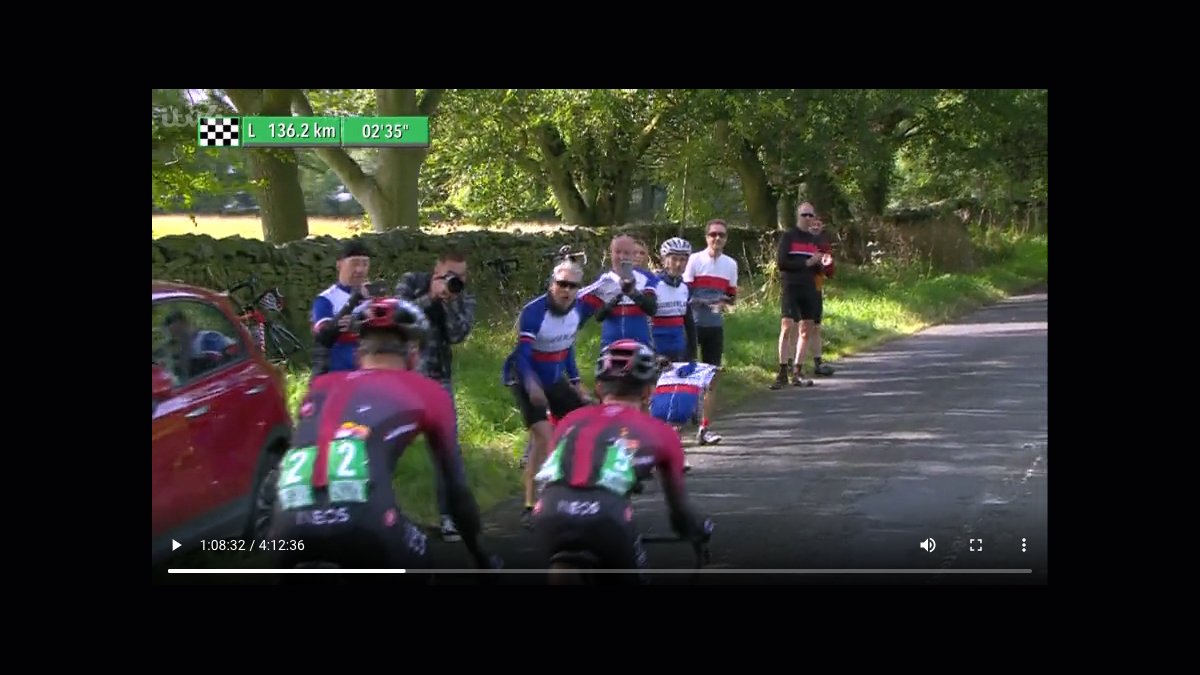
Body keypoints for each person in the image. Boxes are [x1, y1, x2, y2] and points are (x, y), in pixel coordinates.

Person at [265, 296, 501, 575]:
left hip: (286, 529)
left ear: (357, 355)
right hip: (364, 523)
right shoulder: (427, 391)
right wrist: (480, 556)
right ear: (413, 354)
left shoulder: (320, 386)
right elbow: (456, 489)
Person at [531, 339, 713, 584]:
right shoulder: (661, 432)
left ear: (598, 388)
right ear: (649, 392)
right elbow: (678, 513)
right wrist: (697, 531)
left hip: (550, 511)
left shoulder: (570, 420)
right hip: (607, 516)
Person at [502, 260, 595, 528]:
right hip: (524, 376)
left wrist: (576, 382)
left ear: (578, 289)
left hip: (554, 378)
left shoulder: (578, 310)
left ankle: (574, 490)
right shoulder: (533, 312)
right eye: (560, 284)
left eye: (572, 286)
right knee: (543, 437)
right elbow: (521, 357)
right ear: (551, 284)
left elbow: (567, 349)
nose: (565, 290)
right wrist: (532, 386)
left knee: (585, 424)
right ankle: (530, 506)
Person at [393, 250, 476, 543]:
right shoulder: (411, 282)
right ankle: (385, 516)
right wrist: (430, 296)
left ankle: (449, 517)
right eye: (449, 275)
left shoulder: (462, 296)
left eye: (461, 276)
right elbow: (398, 320)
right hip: (401, 378)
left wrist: (448, 302)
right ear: (436, 270)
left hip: (439, 379)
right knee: (385, 445)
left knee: (446, 450)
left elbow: (457, 334)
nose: (456, 280)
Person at [682, 219, 738, 445]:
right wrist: (705, 301)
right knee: (687, 375)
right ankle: (680, 425)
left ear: (726, 239)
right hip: (691, 324)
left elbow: (732, 298)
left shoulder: (731, 265)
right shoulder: (694, 260)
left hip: (715, 326)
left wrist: (724, 302)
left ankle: (704, 429)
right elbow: (684, 294)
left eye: (721, 235)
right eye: (713, 234)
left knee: (712, 377)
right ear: (706, 237)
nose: (717, 238)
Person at [772, 202, 833, 389]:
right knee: (787, 326)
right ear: (798, 216)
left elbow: (821, 268)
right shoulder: (789, 237)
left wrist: (824, 263)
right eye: (804, 215)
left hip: (810, 288)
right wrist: (806, 264)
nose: (807, 218)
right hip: (791, 286)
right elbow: (782, 262)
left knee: (807, 329)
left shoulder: (816, 241)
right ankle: (782, 371)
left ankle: (797, 370)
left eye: (810, 215)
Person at [579, 234, 658, 352]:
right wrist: (614, 301)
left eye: (626, 253)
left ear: (633, 255)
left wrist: (632, 292)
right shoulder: (604, 280)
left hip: (641, 346)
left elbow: (652, 309)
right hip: (610, 346)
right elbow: (598, 316)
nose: (621, 257)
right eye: (617, 252)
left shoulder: (646, 278)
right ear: (611, 253)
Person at [311, 239, 372, 376]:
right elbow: (324, 335)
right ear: (339, 265)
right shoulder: (326, 299)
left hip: (369, 377)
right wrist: (353, 304)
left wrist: (358, 324)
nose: (360, 269)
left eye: (365, 264)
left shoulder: (374, 297)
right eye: (354, 263)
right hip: (337, 377)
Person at [651, 237, 695, 363]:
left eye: (683, 260)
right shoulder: (652, 285)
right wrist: (651, 353)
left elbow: (689, 323)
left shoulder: (685, 288)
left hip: (679, 350)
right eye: (674, 259)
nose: (678, 264)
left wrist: (692, 354)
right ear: (665, 261)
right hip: (656, 351)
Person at [806, 213, 837, 377]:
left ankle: (818, 362)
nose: (816, 227)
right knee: (797, 326)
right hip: (799, 287)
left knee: (816, 326)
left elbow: (830, 272)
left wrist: (828, 265)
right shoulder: (799, 242)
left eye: (819, 224)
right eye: (813, 224)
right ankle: (793, 364)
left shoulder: (824, 245)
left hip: (816, 287)